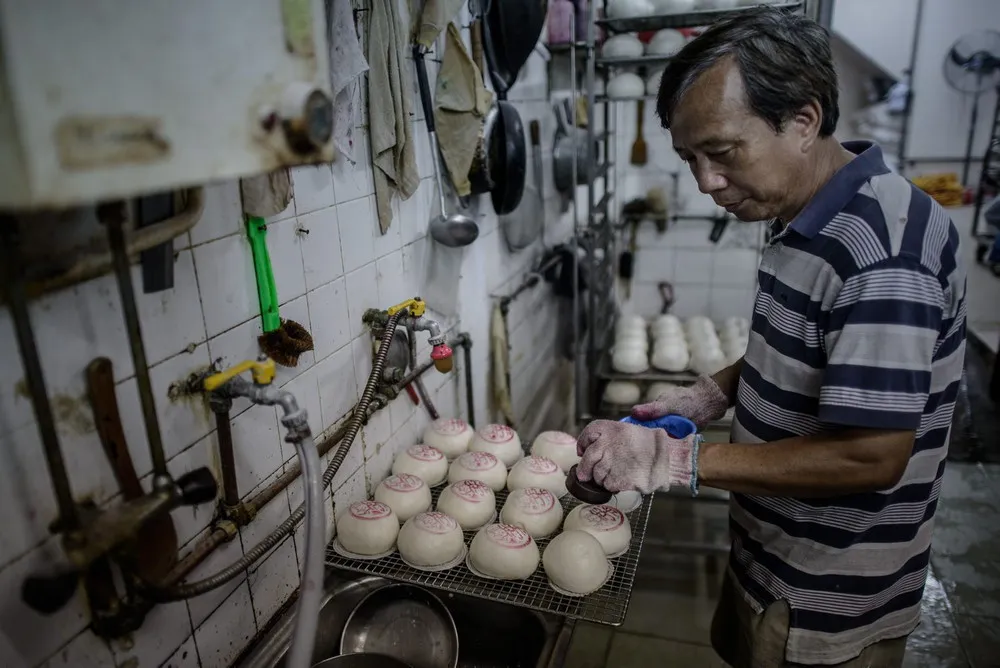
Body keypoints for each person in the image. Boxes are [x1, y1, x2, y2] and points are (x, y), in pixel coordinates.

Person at [575, 7, 967, 668]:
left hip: (827, 599)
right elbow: (806, 342)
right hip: (774, 554)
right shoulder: (810, 210)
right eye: (690, 159)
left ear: (804, 121)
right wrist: (711, 394)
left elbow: (870, 456)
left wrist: (671, 460)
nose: (706, 183)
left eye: (723, 153)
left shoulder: (882, 257)